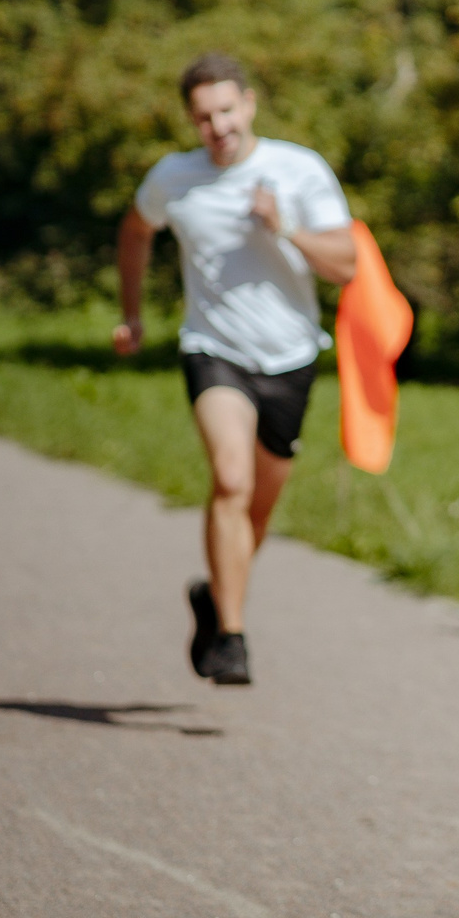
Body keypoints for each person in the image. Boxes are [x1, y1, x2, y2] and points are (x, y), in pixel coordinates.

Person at [116, 54, 356, 685]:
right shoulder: (175, 177)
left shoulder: (298, 169)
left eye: (226, 110)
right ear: (191, 121)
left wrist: (285, 229)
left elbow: (348, 265)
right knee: (230, 479)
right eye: (203, 117)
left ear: (249, 104)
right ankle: (232, 635)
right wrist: (133, 314)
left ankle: (213, 596)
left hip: (292, 355)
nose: (217, 126)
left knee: (258, 509)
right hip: (212, 348)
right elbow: (136, 232)